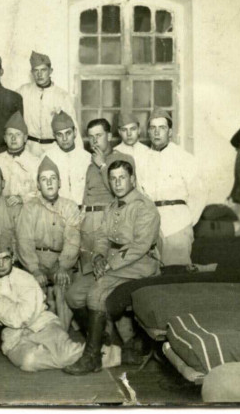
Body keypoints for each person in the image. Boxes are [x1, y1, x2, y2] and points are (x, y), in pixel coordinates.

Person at [64, 158, 160, 375]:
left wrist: (109, 264)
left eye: (122, 178)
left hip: (139, 264)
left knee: (95, 295)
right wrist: (98, 258)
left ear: (132, 179)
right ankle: (101, 341)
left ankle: (92, 358)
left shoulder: (145, 207)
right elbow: (102, 237)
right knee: (73, 294)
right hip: (112, 263)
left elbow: (139, 246)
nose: (117, 183)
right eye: (113, 179)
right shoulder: (111, 207)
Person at [0, 237, 84, 372]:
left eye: (5, 258)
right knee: (29, 362)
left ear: (12, 259)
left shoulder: (26, 279)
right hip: (14, 337)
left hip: (42, 325)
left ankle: (91, 355)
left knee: (69, 353)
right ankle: (63, 359)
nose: (1, 264)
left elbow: (22, 318)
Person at [66, 120, 133, 333]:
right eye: (91, 136)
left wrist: (104, 164)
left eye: (99, 135)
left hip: (108, 221)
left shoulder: (122, 159)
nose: (95, 140)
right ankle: (99, 338)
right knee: (89, 280)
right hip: (89, 224)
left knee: (108, 282)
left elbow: (122, 192)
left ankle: (123, 340)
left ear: (109, 136)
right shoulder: (89, 163)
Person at [16, 156, 82, 327]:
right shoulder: (29, 208)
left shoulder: (70, 206)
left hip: (59, 262)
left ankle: (62, 332)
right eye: (44, 180)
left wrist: (63, 266)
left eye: (53, 179)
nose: (49, 183)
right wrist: (35, 269)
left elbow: (72, 241)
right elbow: (24, 242)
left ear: (60, 182)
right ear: (38, 185)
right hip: (36, 261)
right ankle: (41, 332)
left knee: (63, 282)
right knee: (33, 288)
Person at [142, 109, 206, 267]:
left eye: (162, 128)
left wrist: (186, 223)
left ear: (170, 132)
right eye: (153, 128)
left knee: (176, 275)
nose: (157, 132)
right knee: (151, 276)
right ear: (148, 132)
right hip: (150, 226)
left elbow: (199, 194)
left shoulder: (184, 158)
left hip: (177, 224)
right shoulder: (142, 160)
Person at [16, 51, 80, 157]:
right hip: (30, 148)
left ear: (50, 71)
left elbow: (73, 127)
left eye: (43, 70)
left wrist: (76, 154)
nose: (39, 74)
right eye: (36, 71)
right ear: (32, 72)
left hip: (54, 148)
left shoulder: (62, 96)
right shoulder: (23, 91)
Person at [43, 111, 90, 205]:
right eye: (59, 135)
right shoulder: (48, 157)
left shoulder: (87, 158)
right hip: (56, 210)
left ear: (75, 132)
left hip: (82, 210)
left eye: (68, 133)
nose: (64, 139)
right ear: (54, 136)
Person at [0, 111, 39, 203]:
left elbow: (39, 191)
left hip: (26, 208)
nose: (13, 138)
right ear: (5, 138)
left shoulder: (35, 162)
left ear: (25, 138)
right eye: (10, 135)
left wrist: (23, 199)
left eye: (18, 134)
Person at [113, 111, 151, 188]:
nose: (129, 134)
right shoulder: (114, 153)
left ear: (139, 130)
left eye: (133, 129)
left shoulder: (147, 151)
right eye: (124, 130)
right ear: (119, 132)